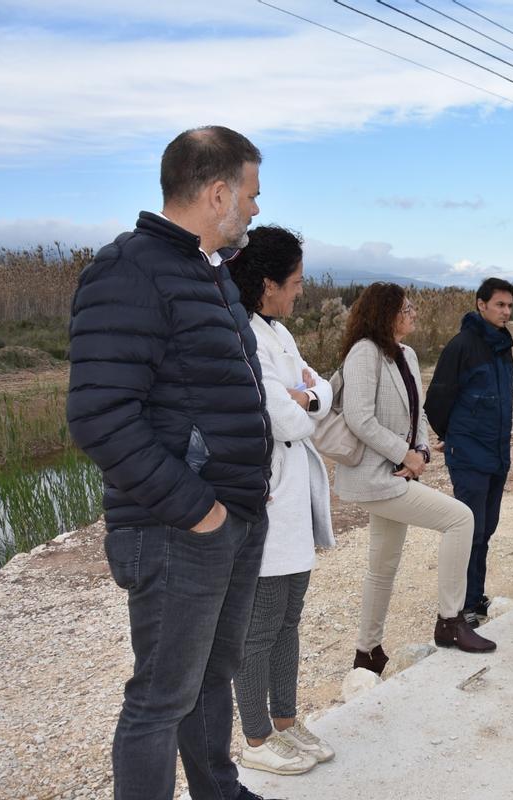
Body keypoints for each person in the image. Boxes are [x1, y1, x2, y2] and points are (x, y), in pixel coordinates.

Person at [67, 126, 275, 800]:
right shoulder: (129, 270)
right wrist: (200, 512)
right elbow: (100, 416)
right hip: (176, 528)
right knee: (160, 699)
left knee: (213, 676)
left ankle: (218, 790)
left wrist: (235, 507)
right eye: (250, 194)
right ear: (217, 192)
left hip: (233, 517)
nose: (254, 209)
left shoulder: (205, 272)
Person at [335, 283, 495, 675]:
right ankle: (450, 621)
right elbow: (358, 417)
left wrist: (421, 451)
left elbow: (417, 415)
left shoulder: (406, 354)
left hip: (400, 473)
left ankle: (366, 652)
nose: (413, 313)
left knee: (382, 564)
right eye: (406, 307)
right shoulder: (364, 353)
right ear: (386, 311)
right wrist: (401, 453)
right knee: (461, 519)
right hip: (375, 478)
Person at [227, 226, 336, 776]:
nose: (300, 291)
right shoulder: (246, 336)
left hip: (295, 497)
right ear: (267, 283)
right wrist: (309, 400)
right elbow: (284, 417)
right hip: (269, 499)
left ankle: (288, 722)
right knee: (261, 624)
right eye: (293, 282)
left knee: (290, 617)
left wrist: (312, 395)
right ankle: (255, 735)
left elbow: (318, 393)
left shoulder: (280, 333)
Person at [424, 278, 513, 627]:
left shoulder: (503, 345)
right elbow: (437, 400)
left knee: (486, 527)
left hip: (497, 454)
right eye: (499, 305)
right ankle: (459, 606)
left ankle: (475, 596)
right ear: (481, 304)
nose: (506, 312)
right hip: (470, 455)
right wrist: (453, 435)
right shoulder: (462, 346)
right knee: (470, 530)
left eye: (509, 306)